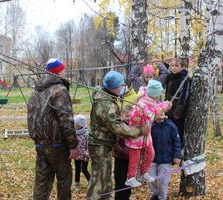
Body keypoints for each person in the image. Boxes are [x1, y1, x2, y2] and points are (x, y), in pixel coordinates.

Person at [87, 70, 150, 200]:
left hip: (102, 144)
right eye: (121, 85)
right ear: (115, 87)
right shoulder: (106, 104)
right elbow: (119, 129)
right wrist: (140, 130)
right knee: (99, 181)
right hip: (100, 145)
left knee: (103, 178)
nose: (123, 87)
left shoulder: (105, 97)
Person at [27, 58, 79, 200]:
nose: (65, 72)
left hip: (40, 144)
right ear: (57, 72)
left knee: (41, 182)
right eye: (63, 70)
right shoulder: (59, 90)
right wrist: (73, 146)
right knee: (64, 180)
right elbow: (66, 120)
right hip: (57, 145)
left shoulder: (36, 91)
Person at [125, 80, 171, 187]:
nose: (160, 95)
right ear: (155, 94)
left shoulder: (152, 103)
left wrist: (167, 105)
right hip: (137, 135)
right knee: (134, 158)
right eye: (159, 93)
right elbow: (134, 118)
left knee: (151, 153)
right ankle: (130, 177)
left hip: (146, 135)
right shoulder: (141, 105)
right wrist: (140, 117)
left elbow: (158, 107)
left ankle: (144, 172)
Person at [148, 109, 182, 200]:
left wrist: (177, 155)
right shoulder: (151, 126)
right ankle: (155, 194)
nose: (159, 119)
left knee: (163, 181)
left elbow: (177, 141)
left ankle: (162, 198)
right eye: (158, 117)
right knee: (150, 178)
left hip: (166, 157)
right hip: (152, 157)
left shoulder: (171, 126)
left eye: (161, 116)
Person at [165, 58, 191, 147]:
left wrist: (178, 112)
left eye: (177, 66)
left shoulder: (184, 79)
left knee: (178, 133)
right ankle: (170, 151)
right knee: (169, 132)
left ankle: (179, 152)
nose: (174, 68)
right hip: (169, 110)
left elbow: (184, 97)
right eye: (172, 66)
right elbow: (167, 93)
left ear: (183, 67)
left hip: (178, 114)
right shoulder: (170, 77)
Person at [112, 105, 134, 200]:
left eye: (131, 116)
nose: (129, 119)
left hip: (131, 159)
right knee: (120, 182)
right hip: (120, 158)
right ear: (121, 115)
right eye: (127, 116)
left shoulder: (133, 127)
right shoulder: (119, 127)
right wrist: (125, 152)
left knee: (129, 182)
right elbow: (115, 143)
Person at [73, 114, 90, 191]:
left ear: (81, 125)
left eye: (76, 125)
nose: (74, 126)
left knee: (84, 169)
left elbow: (88, 146)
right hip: (77, 155)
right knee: (77, 170)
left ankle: (90, 182)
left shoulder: (86, 134)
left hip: (84, 156)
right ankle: (77, 183)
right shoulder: (74, 133)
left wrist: (87, 155)